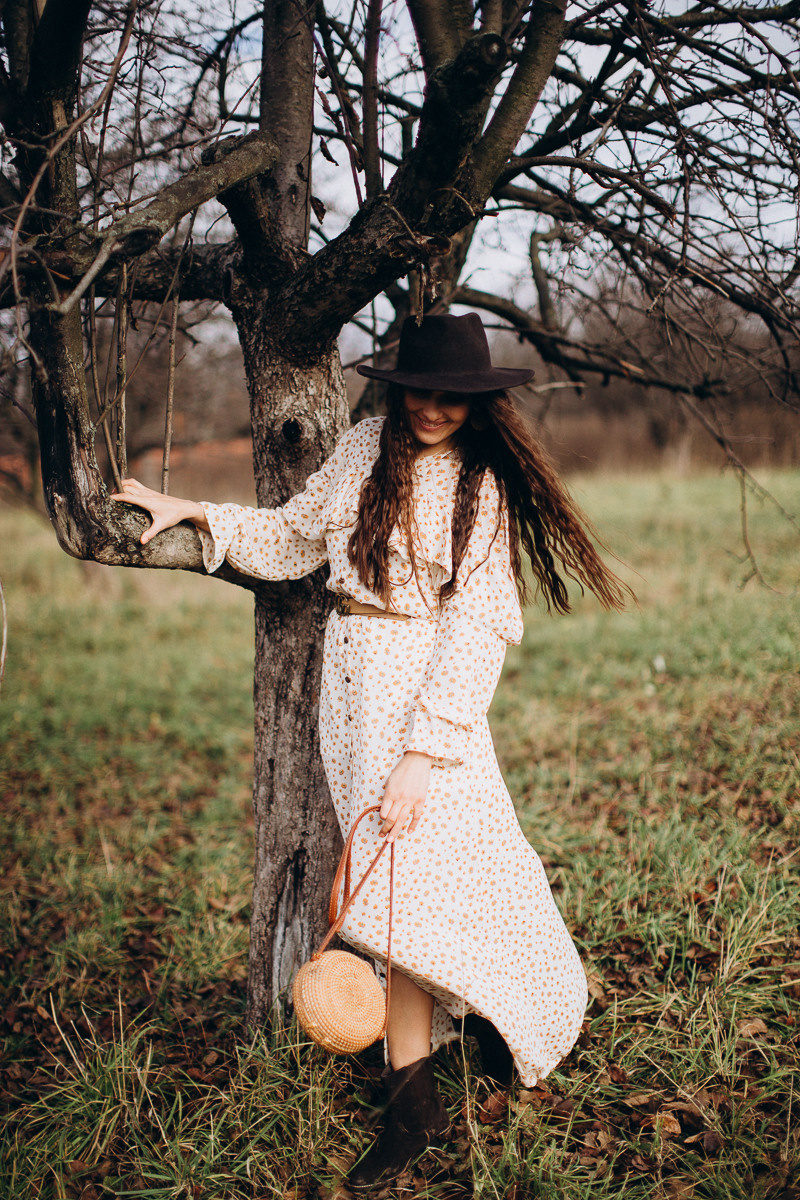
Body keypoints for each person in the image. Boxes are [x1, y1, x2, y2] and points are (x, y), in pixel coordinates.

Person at [112, 312, 629, 1193]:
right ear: (394, 387)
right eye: (420, 389)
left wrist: (422, 756)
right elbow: (295, 534)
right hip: (349, 689)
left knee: (427, 886)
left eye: (453, 397)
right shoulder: (361, 450)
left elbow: (474, 631)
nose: (432, 408)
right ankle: (426, 1073)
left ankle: (424, 1095)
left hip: (425, 700)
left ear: (479, 404)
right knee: (400, 890)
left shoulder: (480, 488)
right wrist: (192, 512)